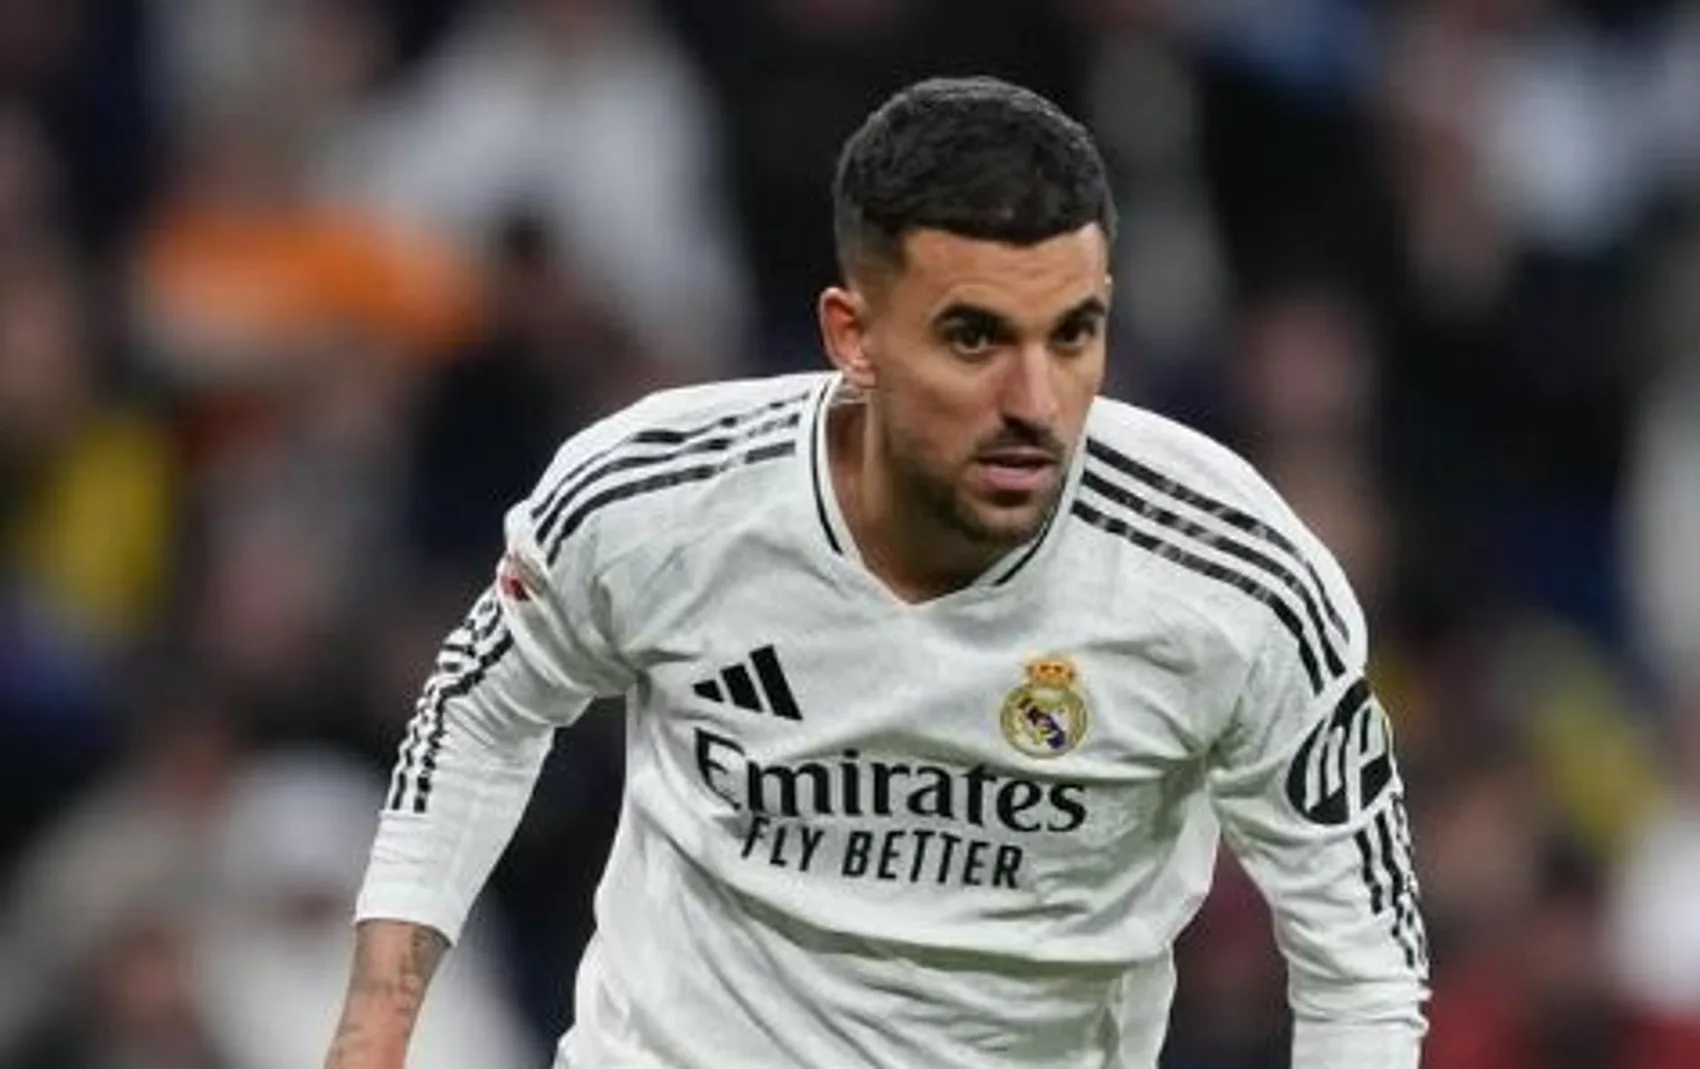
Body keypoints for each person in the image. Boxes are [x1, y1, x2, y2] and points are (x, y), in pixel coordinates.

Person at [326, 75, 1429, 1069]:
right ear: (853, 335)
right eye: (974, 339)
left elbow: (1364, 960)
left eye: (1072, 334)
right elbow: (481, 712)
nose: (1035, 404)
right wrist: (375, 1027)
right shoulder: (656, 499)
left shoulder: (1234, 579)